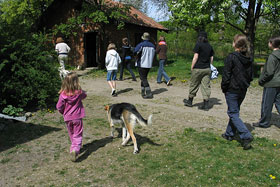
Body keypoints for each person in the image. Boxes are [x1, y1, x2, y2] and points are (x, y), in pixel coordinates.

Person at [221, 34, 254, 150]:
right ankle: (229, 134)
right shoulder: (249, 58)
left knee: (233, 113)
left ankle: (246, 135)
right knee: (234, 112)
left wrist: (224, 87)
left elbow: (226, 74)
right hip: (242, 89)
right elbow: (250, 75)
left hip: (232, 89)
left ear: (235, 44)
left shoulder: (232, 57)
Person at [56, 72, 87, 161]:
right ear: (76, 82)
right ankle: (75, 149)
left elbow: (59, 107)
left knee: (72, 134)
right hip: (77, 117)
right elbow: (85, 95)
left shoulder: (63, 95)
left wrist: (63, 112)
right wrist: (81, 90)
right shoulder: (79, 93)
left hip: (67, 118)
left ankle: (73, 149)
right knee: (78, 134)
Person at [253, 36, 280, 128]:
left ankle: (264, 122)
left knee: (267, 104)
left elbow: (269, 72)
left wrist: (262, 80)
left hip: (271, 83)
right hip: (279, 82)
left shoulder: (272, 56)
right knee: (279, 102)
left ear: (272, 44)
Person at [183, 31, 214, 110]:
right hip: (207, 69)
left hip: (198, 68)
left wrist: (192, 66)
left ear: (199, 37)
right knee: (206, 86)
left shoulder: (198, 45)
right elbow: (211, 58)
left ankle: (190, 101)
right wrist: (209, 65)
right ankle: (206, 104)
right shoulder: (209, 46)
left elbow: (195, 57)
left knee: (194, 84)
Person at [134, 32, 156, 99]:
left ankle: (149, 93)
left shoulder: (141, 45)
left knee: (143, 78)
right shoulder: (153, 46)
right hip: (149, 64)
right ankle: (143, 91)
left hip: (142, 63)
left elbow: (135, 52)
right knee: (143, 78)